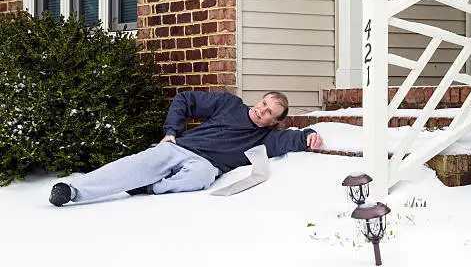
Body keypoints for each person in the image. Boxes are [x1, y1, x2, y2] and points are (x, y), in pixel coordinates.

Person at [48, 90, 323, 206]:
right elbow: (184, 100)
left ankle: (150, 188)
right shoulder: (229, 104)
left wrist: (309, 135)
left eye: (269, 113)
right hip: (180, 148)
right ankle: (75, 190)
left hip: (206, 166)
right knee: (136, 165)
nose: (261, 111)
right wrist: (171, 133)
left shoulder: (265, 140)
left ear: (273, 122)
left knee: (201, 177)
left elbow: (293, 138)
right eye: (263, 103)